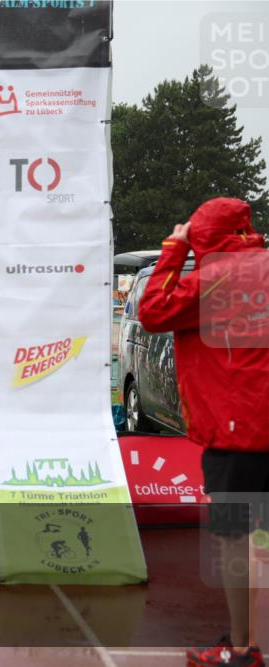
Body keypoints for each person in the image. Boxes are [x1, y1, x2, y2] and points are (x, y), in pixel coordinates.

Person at [138, 198, 268, 667]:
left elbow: (152, 311)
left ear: (203, 235)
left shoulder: (211, 280)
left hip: (236, 437)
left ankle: (241, 648)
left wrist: (174, 246)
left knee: (236, 541)